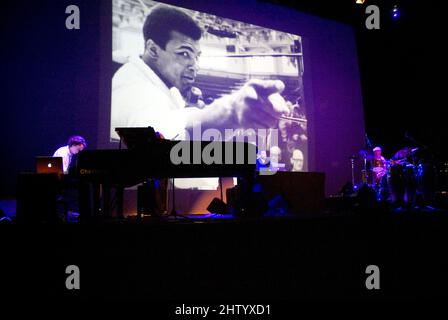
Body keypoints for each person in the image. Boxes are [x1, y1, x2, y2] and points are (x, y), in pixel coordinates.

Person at [110, 5, 289, 141]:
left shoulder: (154, 80)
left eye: (196, 57)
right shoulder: (134, 91)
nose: (194, 66)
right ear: (153, 49)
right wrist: (232, 112)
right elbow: (164, 140)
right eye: (184, 54)